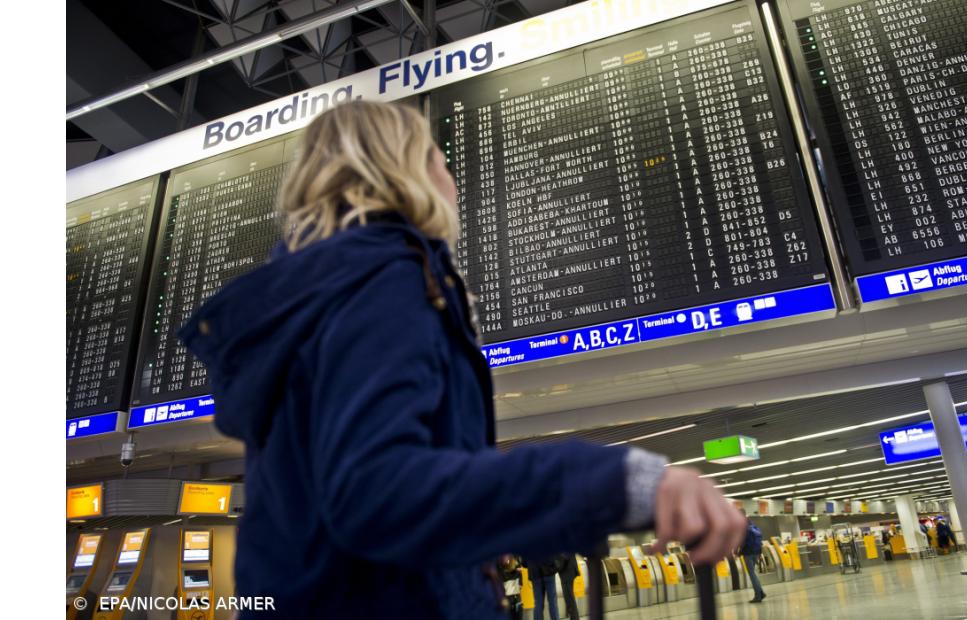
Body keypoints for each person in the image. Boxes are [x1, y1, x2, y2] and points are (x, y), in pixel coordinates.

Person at [178, 100, 746, 618]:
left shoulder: (312, 301)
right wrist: (614, 482)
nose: (453, 179)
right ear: (406, 168)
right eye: (441, 160)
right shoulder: (381, 280)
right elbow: (377, 490)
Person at [737, 509, 766, 603]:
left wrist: (738, 552)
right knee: (754, 573)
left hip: (748, 554)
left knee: (752, 574)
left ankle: (758, 595)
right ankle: (761, 592)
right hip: (756, 552)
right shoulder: (751, 523)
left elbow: (743, 541)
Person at [556, 554, 581, 620]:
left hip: (566, 573)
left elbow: (564, 556)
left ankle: (574, 618)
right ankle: (574, 618)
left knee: (569, 599)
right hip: (569, 570)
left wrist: (556, 567)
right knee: (570, 598)